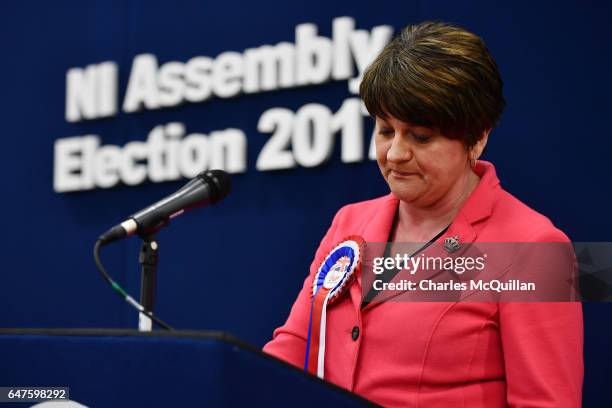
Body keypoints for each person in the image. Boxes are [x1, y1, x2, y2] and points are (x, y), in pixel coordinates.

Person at [263, 21, 583, 407]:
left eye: (420, 136)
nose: (395, 153)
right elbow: (295, 346)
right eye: (385, 130)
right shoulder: (348, 222)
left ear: (477, 137)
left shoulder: (536, 248)